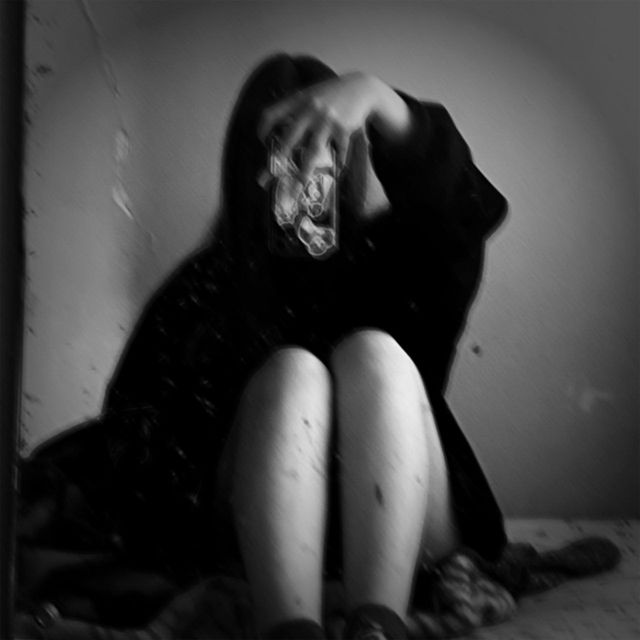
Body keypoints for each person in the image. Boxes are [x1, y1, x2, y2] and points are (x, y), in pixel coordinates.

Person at [103, 53, 509, 640]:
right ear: (250, 163)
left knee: (374, 354)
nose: (303, 169)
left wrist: (381, 101)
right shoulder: (204, 286)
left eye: (323, 146)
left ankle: (378, 625)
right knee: (294, 372)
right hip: (257, 534)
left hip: (410, 524)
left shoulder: (395, 260)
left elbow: (462, 217)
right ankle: (289, 628)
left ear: (349, 159)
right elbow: (137, 440)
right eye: (283, 150)